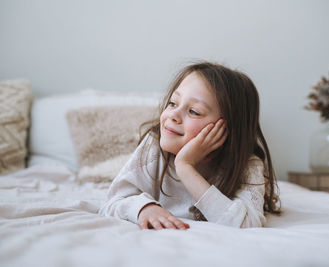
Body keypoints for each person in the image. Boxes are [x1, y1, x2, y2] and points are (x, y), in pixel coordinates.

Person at [99, 61, 281, 230]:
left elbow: (245, 225)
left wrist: (185, 167)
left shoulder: (248, 166)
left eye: (194, 111)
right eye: (172, 103)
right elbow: (112, 202)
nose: (173, 115)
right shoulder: (154, 149)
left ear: (229, 129)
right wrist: (143, 208)